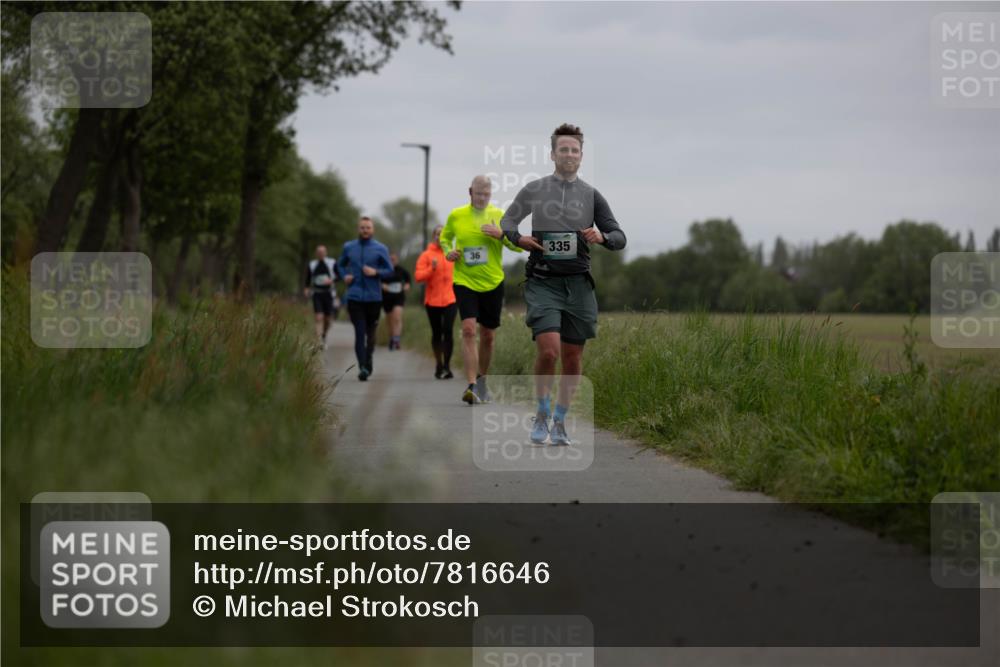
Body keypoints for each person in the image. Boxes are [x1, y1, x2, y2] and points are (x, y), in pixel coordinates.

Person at [500, 123, 626, 445]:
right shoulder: (535, 189)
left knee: (572, 357)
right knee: (549, 351)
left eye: (574, 150)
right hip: (543, 282)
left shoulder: (591, 195)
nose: (569, 154)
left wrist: (603, 236)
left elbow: (619, 236)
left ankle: (559, 421)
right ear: (552, 154)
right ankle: (541, 413)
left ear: (581, 156)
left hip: (579, 285)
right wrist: (518, 238)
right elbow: (508, 220)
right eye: (563, 149)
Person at [441, 175, 523, 404]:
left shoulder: (499, 216)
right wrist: (448, 252)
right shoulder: (457, 215)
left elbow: (517, 247)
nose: (482, 198)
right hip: (464, 281)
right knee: (468, 330)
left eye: (486, 195)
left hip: (493, 282)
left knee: (488, 336)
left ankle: (482, 380)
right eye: (479, 194)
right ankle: (471, 385)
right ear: (470, 192)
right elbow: (445, 239)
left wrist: (501, 235)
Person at [338, 216, 394, 381]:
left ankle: (368, 360)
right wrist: (345, 275)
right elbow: (340, 265)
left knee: (371, 334)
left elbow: (390, 271)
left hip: (374, 297)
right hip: (354, 296)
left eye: (368, 228)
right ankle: (362, 366)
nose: (365, 230)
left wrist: (376, 272)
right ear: (358, 229)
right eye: (362, 227)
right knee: (359, 332)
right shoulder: (349, 247)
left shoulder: (380, 248)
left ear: (372, 230)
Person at [414, 224, 457, 379]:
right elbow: (418, 277)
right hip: (432, 301)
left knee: (448, 330)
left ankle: (447, 366)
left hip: (451, 299)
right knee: (437, 333)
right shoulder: (426, 255)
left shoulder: (453, 254)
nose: (440, 237)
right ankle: (438, 364)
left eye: (443, 234)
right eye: (437, 234)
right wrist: (431, 269)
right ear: (433, 236)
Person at [302, 245, 339, 348]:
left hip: (329, 293)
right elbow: (308, 278)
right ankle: (318, 342)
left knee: (328, 319)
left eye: (322, 252)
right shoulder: (312, 264)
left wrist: (332, 280)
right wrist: (306, 288)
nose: (321, 254)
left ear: (326, 253)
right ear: (316, 253)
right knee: (318, 317)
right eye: (319, 252)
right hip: (317, 293)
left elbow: (339, 275)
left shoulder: (332, 263)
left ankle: (324, 335)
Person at [381, 252, 411, 351]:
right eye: (390, 259)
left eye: (394, 259)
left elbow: (408, 282)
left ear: (397, 259)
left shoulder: (402, 271)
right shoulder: (383, 271)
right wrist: (383, 286)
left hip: (399, 297)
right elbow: (378, 281)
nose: (392, 261)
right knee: (390, 319)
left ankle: (397, 340)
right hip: (387, 298)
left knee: (397, 317)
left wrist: (406, 286)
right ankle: (391, 337)